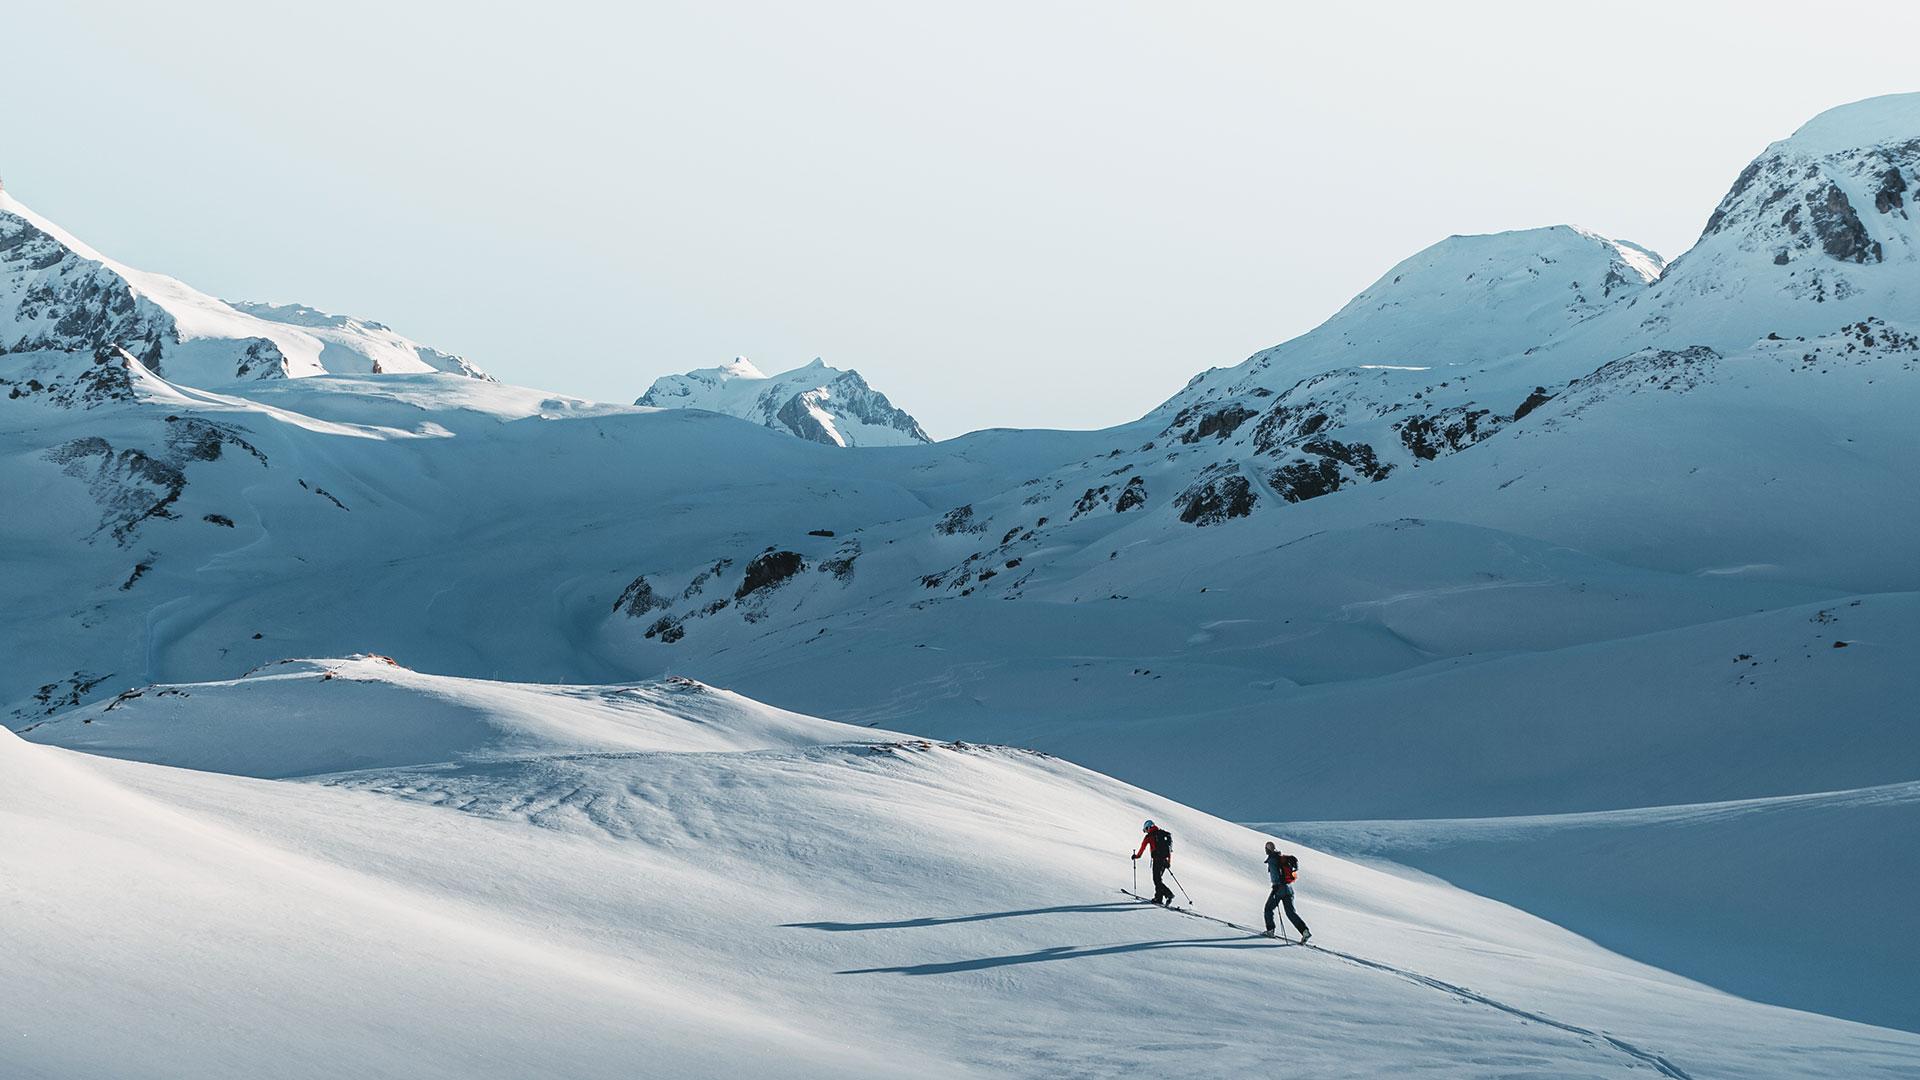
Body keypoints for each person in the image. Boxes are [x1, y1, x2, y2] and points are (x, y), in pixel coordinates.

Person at [1263, 840, 1311, 943]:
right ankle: (1304, 931)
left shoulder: (1272, 859)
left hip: (1279, 888)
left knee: (1268, 909)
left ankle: (1270, 930)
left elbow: (1275, 874)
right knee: (1290, 913)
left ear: (1268, 849)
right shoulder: (1280, 858)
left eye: (1266, 849)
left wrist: (1275, 885)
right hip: (1289, 888)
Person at [1133, 820, 1175, 905]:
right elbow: (1168, 849)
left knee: (1156, 880)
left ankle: (1168, 894)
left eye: (1146, 829)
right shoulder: (1162, 834)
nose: (1146, 831)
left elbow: (1142, 848)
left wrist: (1136, 856)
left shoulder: (1149, 836)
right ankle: (1158, 898)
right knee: (1158, 879)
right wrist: (1168, 862)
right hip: (1165, 861)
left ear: (1148, 828)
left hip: (1157, 860)